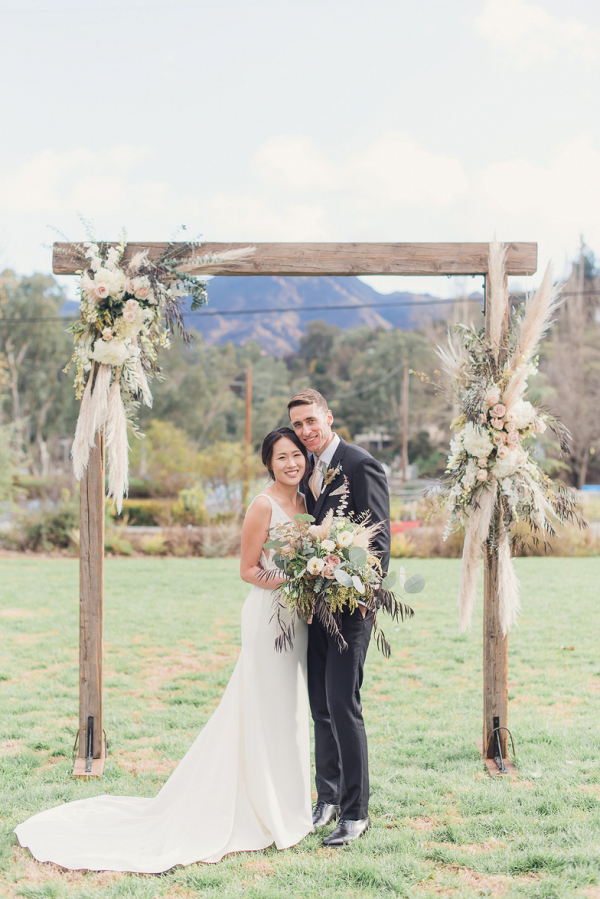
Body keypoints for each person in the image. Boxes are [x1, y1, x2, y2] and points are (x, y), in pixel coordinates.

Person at [14, 428, 313, 873]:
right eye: (281, 457)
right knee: (264, 706)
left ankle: (286, 802)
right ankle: (257, 806)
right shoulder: (263, 504)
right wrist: (293, 580)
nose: (291, 463)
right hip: (269, 618)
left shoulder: (307, 502)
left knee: (289, 711)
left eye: (297, 455)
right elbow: (248, 570)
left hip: (298, 621)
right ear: (268, 463)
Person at [288, 389, 390, 848]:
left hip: (351, 607)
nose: (306, 431)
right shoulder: (304, 468)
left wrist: (364, 594)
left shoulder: (359, 462)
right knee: (320, 707)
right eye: (299, 426)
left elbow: (379, 539)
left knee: (343, 705)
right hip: (314, 607)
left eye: (312, 421)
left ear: (329, 417)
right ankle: (326, 798)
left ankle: (355, 812)